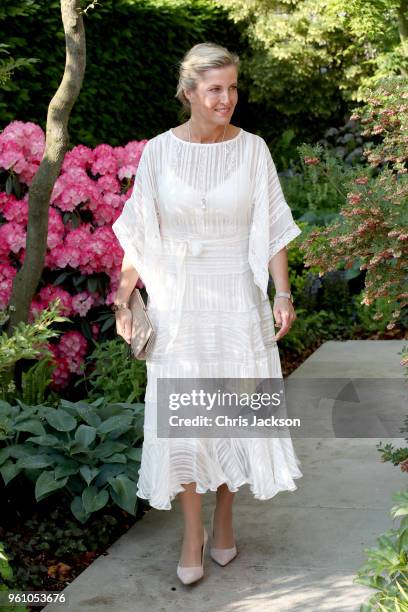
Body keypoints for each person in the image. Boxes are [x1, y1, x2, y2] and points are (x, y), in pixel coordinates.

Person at [111, 42, 303, 585]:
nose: (226, 99)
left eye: (233, 88)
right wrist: (125, 297)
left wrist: (282, 293)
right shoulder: (158, 152)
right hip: (179, 304)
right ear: (189, 92)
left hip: (239, 301)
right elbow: (140, 235)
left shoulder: (254, 149)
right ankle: (191, 529)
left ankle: (225, 515)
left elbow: (271, 227)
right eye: (214, 89)